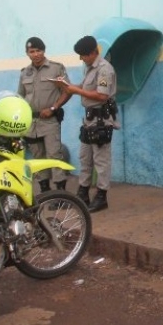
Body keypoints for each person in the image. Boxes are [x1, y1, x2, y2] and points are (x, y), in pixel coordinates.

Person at [56, 35, 117, 212]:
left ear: (92, 53)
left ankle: (101, 196)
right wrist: (67, 86)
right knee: (85, 158)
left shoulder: (104, 69)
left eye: (83, 55)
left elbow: (102, 96)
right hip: (89, 120)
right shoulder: (90, 68)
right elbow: (83, 86)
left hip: (101, 120)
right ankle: (83, 192)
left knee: (101, 160)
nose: (81, 58)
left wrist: (75, 90)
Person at [17, 36, 71, 193]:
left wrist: (54, 108)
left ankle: (60, 193)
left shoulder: (56, 68)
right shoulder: (24, 73)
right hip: (31, 122)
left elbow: (67, 91)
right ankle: (45, 192)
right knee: (37, 158)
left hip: (49, 121)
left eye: (38, 50)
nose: (35, 54)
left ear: (44, 50)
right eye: (31, 51)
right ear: (27, 53)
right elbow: (20, 97)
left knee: (54, 156)